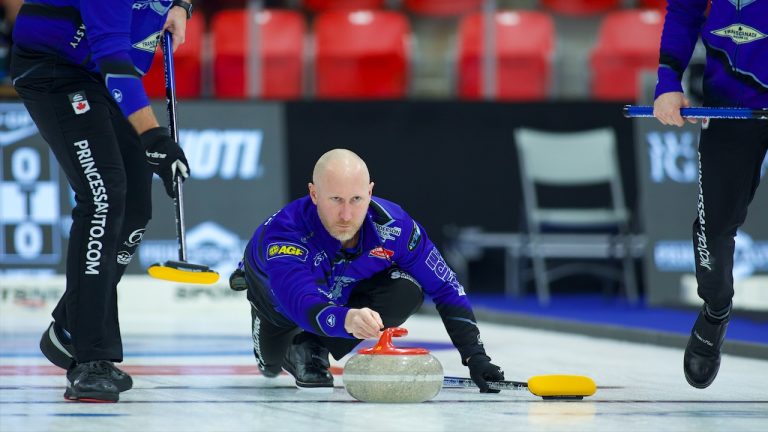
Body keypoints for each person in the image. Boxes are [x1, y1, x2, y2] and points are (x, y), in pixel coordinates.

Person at [10, 0, 194, 402]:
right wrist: (152, 136)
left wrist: (180, 6)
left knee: (135, 210)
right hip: (57, 68)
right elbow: (112, 57)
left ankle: (68, 327)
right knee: (104, 196)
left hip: (102, 73)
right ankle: (90, 358)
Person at [230, 149, 505, 391]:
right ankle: (253, 283)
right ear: (314, 194)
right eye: (336, 199)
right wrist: (347, 320)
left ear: (370, 192)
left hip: (340, 292)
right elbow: (300, 302)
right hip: (280, 305)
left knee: (408, 288)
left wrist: (475, 356)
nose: (347, 216)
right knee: (270, 367)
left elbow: (445, 286)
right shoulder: (286, 234)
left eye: (357, 199)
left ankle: (314, 345)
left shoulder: (395, 226)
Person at [653, 0, 767, 389]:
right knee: (714, 228)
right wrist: (668, 83)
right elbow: (684, 12)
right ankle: (716, 310)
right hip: (731, 104)